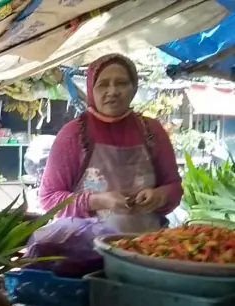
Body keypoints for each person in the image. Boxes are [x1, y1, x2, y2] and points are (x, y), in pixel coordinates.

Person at [38, 54, 183, 233]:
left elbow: (175, 188)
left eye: (121, 83)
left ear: (134, 88)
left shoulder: (152, 130)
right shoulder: (73, 134)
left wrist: (160, 196)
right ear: (91, 89)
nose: (113, 91)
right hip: (85, 251)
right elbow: (49, 199)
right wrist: (98, 201)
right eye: (103, 84)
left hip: (145, 248)